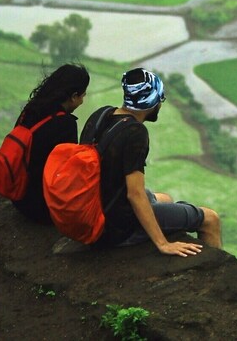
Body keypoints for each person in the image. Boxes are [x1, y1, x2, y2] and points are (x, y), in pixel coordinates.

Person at [84, 68, 221, 256]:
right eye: (160, 99)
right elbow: (135, 194)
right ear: (152, 101)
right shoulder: (135, 133)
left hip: (93, 210)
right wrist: (163, 244)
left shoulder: (101, 115)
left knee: (164, 198)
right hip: (117, 228)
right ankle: (212, 272)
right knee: (210, 219)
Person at [12, 63, 90, 223]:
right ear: (74, 96)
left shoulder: (30, 110)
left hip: (19, 196)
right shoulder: (65, 124)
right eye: (82, 95)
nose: (82, 101)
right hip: (42, 208)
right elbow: (69, 173)